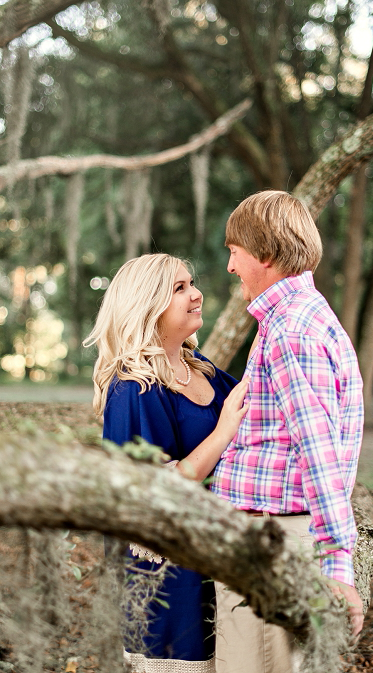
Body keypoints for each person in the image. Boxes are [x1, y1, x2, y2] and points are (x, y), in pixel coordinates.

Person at [209, 190, 365, 673]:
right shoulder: (293, 318)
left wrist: (338, 564)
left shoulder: (292, 329)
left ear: (267, 256)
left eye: (235, 252)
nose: (231, 267)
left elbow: (319, 451)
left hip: (270, 541)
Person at [83, 253, 249, 672]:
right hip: (168, 576)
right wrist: (224, 430)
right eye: (179, 289)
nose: (196, 295)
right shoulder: (133, 388)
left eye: (190, 283)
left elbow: (254, 401)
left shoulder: (202, 368)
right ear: (147, 306)